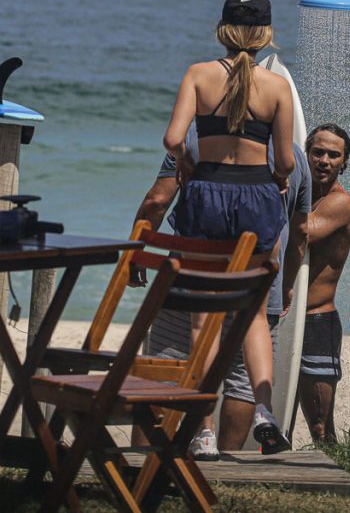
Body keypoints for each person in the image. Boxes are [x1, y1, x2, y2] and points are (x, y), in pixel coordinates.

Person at [161, 0, 296, 453]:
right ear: (265, 35)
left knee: (205, 321)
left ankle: (203, 432)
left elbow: (174, 138)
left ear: (222, 31)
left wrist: (186, 164)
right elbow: (285, 162)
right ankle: (264, 411)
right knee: (254, 313)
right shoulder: (277, 88)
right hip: (256, 196)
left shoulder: (198, 75)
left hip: (205, 196)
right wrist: (275, 178)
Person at [134, 121, 309, 458]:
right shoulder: (296, 158)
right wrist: (287, 286)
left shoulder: (194, 142)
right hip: (258, 281)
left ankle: (144, 460)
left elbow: (157, 201)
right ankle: (227, 467)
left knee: (162, 374)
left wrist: (136, 252)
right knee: (243, 383)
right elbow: (299, 233)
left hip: (196, 278)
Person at [297, 123, 350, 444]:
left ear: (344, 164)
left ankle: (333, 473)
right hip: (285, 318)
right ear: (306, 154)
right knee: (275, 412)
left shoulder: (341, 204)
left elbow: (304, 232)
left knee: (319, 426)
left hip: (317, 322)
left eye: (334, 155)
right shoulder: (305, 196)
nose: (324, 160)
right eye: (317, 152)